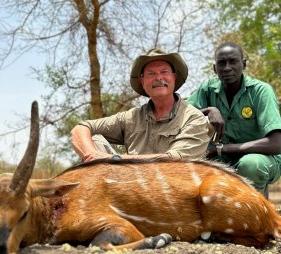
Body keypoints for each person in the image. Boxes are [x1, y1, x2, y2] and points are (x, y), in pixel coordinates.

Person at [71, 48, 212, 162]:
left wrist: (115, 159)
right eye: (151, 74)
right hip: (129, 184)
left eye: (164, 72)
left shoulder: (194, 118)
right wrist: (91, 155)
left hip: (173, 188)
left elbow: (173, 161)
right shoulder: (131, 117)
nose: (158, 78)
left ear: (174, 77)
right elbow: (81, 128)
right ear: (142, 82)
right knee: (94, 140)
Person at [187, 41, 281, 197]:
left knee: (250, 165)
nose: (227, 68)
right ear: (214, 68)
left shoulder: (261, 91)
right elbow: (181, 114)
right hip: (221, 159)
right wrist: (209, 110)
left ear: (243, 64)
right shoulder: (207, 89)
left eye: (233, 61)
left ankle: (259, 213)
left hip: (263, 158)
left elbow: (277, 143)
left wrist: (221, 149)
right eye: (221, 63)